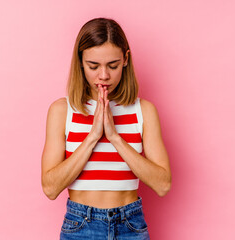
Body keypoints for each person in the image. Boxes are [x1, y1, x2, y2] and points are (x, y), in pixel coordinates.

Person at [41, 17, 171, 240]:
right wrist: (93, 137)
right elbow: (50, 188)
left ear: (125, 60)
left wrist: (114, 137)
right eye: (93, 66)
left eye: (112, 65)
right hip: (81, 225)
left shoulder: (144, 111)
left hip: (130, 224)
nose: (103, 76)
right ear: (81, 62)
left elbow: (163, 184)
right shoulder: (62, 111)